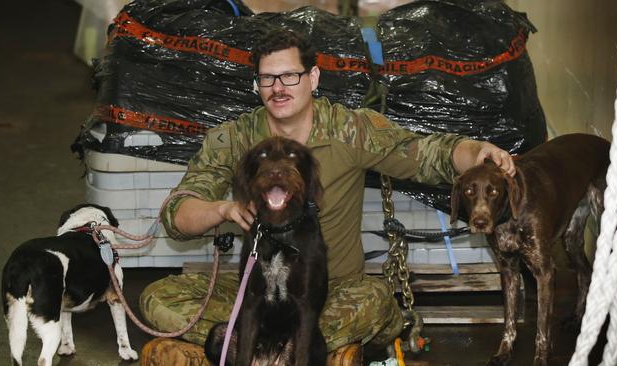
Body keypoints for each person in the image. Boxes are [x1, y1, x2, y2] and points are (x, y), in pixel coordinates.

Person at [139, 29, 515, 365]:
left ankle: (241, 353)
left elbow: (426, 154)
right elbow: (179, 213)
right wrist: (222, 208)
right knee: (157, 298)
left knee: (377, 303)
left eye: (290, 75)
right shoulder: (236, 138)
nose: (278, 88)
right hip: (257, 299)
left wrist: (477, 150)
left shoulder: (349, 129)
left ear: (313, 77)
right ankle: (295, 354)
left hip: (330, 292)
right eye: (267, 78)